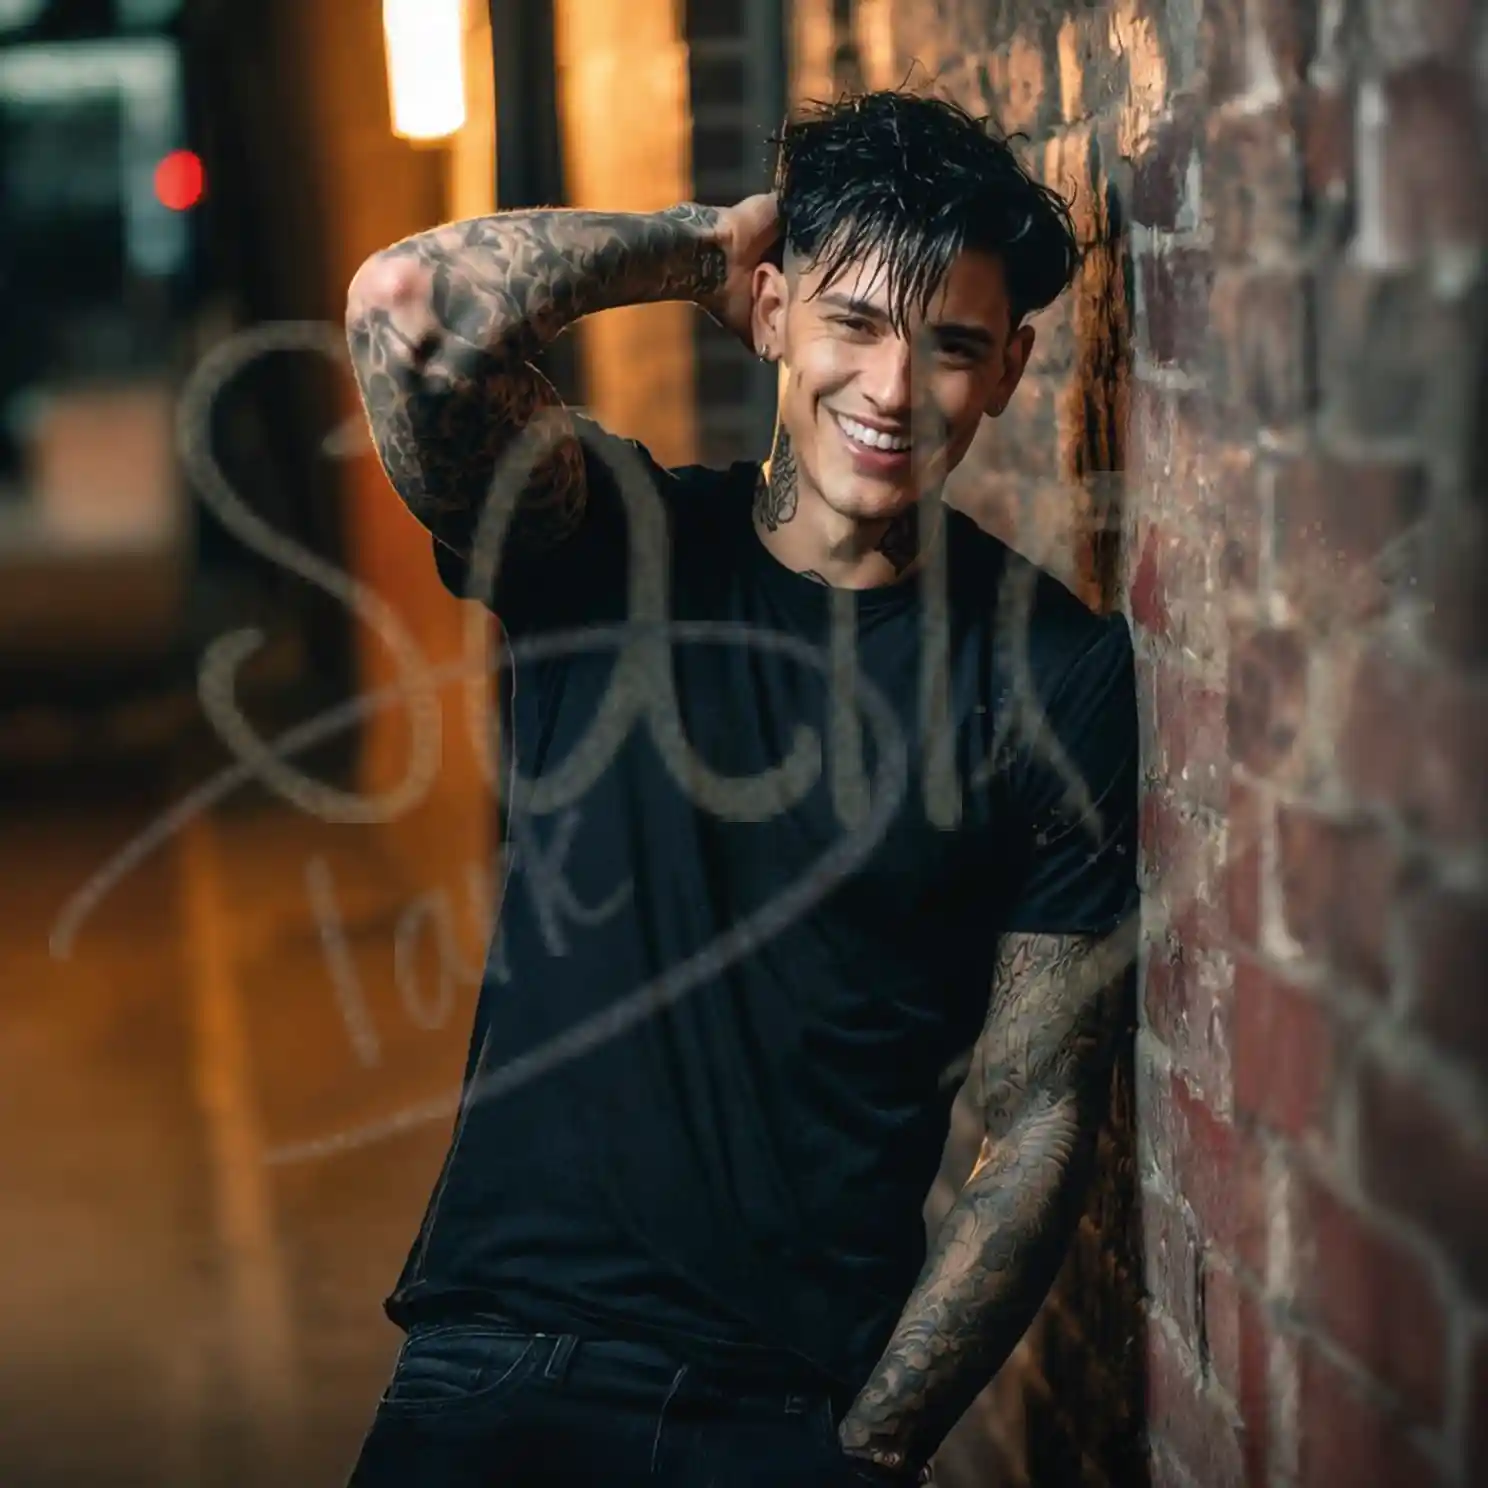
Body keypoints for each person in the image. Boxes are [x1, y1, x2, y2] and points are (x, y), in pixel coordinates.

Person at [342, 89, 1137, 1487]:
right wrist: (696, 247)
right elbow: (408, 306)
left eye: (952, 346)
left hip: (783, 1419)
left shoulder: (1050, 673)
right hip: (500, 1367)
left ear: (1011, 369)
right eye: (853, 323)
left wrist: (872, 1449)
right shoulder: (605, 542)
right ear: (770, 313)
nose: (892, 391)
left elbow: (1040, 1118)